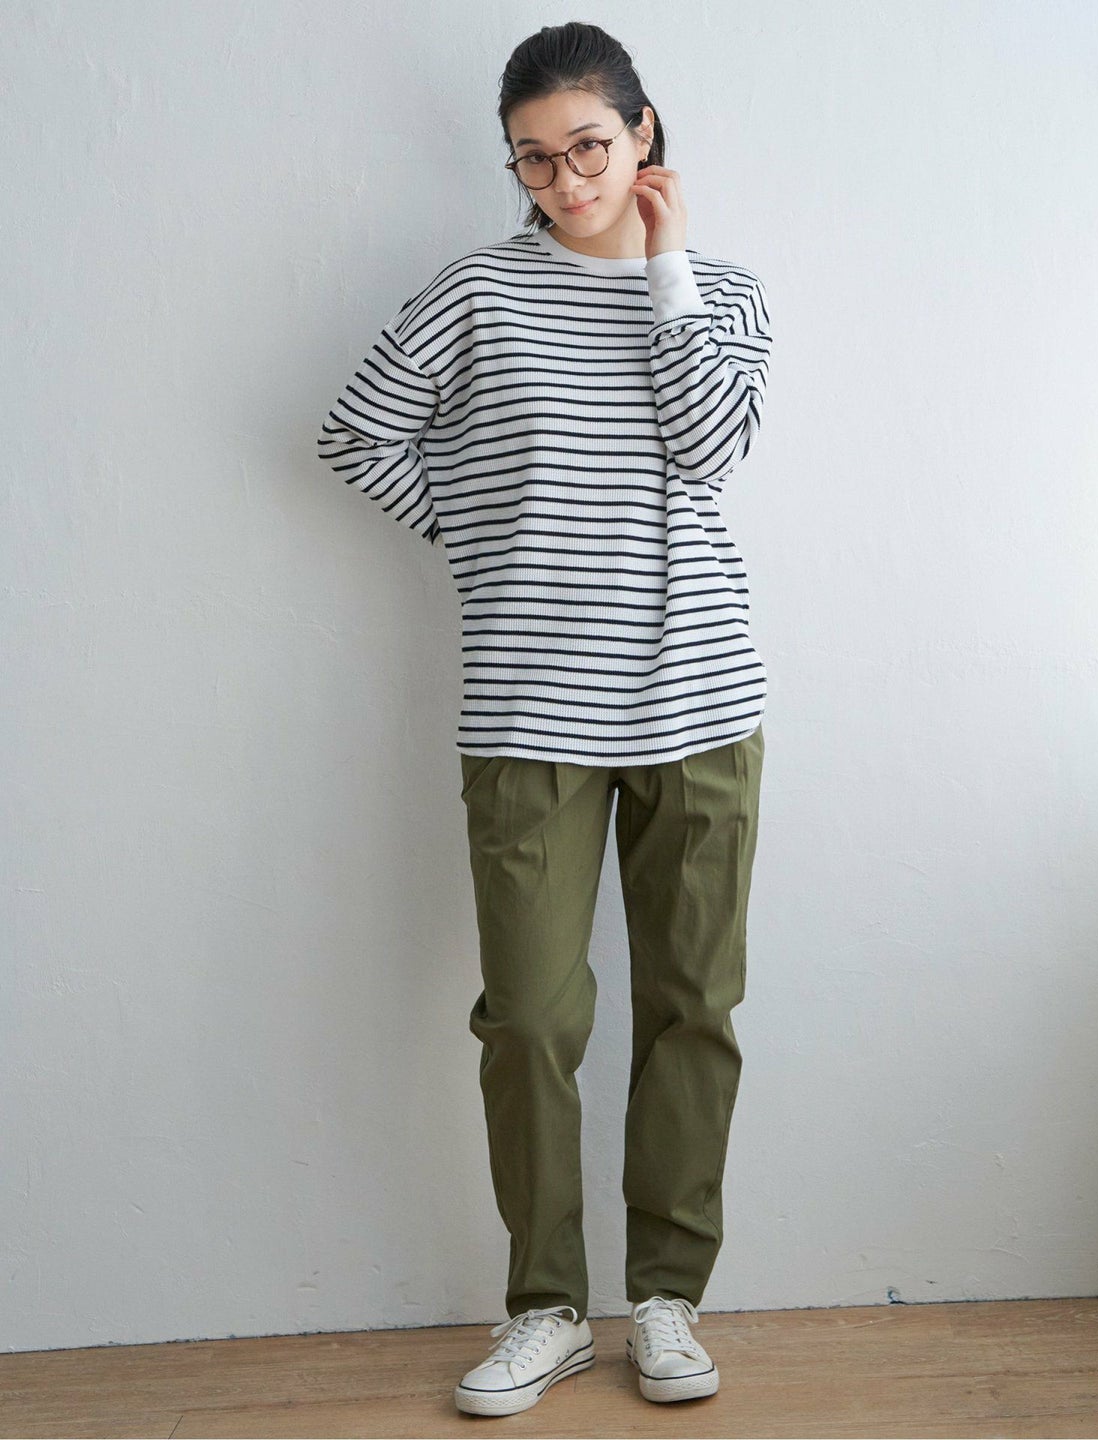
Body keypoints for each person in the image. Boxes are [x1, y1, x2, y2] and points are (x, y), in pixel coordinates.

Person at [316, 20, 771, 1419]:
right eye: (534, 158)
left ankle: (669, 1301)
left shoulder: (725, 293)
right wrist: (488, 536)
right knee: (527, 1017)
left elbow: (709, 449)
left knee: (693, 1007)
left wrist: (667, 271)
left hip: (700, 700)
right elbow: (355, 432)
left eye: (589, 146)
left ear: (644, 133)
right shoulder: (476, 292)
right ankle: (549, 1308)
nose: (566, 180)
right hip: (529, 711)